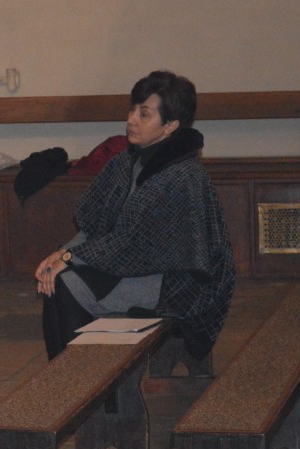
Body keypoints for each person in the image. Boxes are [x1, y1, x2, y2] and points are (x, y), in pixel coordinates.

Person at [34, 70, 234, 361]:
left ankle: (85, 379)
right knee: (57, 281)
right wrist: (60, 254)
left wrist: (70, 259)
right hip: (121, 263)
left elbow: (137, 244)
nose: (131, 120)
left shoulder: (183, 176)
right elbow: (94, 227)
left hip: (171, 282)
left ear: (170, 126)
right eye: (132, 110)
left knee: (68, 285)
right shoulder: (124, 163)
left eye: (144, 114)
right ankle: (69, 376)